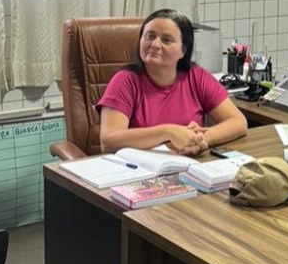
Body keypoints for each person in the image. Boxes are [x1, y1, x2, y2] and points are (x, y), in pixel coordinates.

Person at [97, 9, 248, 155]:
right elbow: (108, 142)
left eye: (166, 40)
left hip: (188, 163)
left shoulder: (196, 76)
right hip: (139, 167)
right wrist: (168, 132)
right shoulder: (125, 81)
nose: (155, 44)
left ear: (183, 51)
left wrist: (201, 138)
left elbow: (239, 122)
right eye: (150, 36)